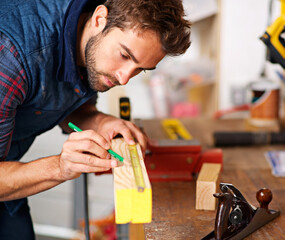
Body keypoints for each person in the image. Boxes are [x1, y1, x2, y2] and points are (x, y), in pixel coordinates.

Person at [0, 0, 191, 238]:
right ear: (100, 19)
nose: (124, 79)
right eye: (124, 55)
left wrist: (100, 121)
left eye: (140, 69)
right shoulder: (10, 56)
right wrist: (60, 167)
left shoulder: (90, 38)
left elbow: (60, 102)